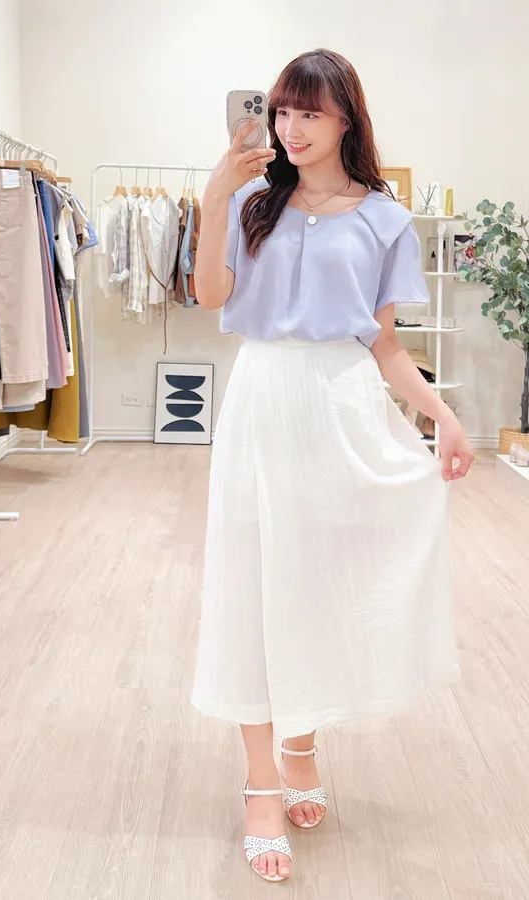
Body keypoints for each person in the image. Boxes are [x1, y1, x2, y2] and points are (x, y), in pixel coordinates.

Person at [190, 48, 474, 884]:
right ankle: (261, 786)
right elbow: (211, 297)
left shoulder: (384, 220)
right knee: (252, 580)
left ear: (347, 118)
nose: (290, 127)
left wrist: (445, 417)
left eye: (309, 112)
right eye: (282, 110)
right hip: (262, 398)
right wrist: (213, 197)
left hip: (342, 406)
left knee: (317, 578)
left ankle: (302, 745)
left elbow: (384, 345)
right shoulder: (252, 203)